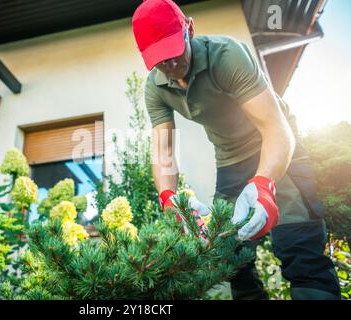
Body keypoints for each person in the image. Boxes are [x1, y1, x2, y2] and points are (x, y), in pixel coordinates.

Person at [132, 0, 341, 300]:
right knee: (229, 257)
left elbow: (275, 128)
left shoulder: (227, 56)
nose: (170, 65)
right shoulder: (156, 88)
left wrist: (264, 184)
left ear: (189, 29)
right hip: (230, 161)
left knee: (298, 246)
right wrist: (169, 198)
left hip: (276, 149)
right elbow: (163, 153)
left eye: (174, 52)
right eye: (159, 58)